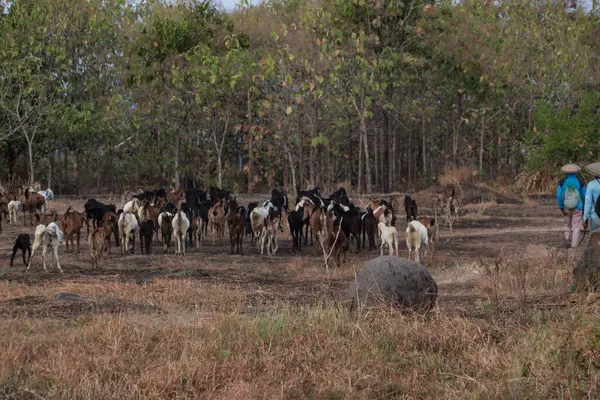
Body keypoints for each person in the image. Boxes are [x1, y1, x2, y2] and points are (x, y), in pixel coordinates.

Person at [557, 163, 586, 248]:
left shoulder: (561, 182)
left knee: (567, 224)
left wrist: (561, 207)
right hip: (578, 207)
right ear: (576, 172)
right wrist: (584, 207)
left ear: (566, 173)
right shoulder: (580, 182)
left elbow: (559, 195)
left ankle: (567, 241)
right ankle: (574, 246)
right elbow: (584, 196)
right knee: (576, 226)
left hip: (566, 207)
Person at [583, 162, 600, 234]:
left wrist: (585, 219)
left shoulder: (591, 184)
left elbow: (588, 203)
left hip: (595, 217)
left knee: (594, 240)